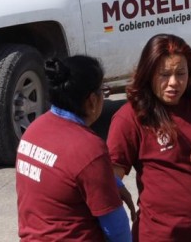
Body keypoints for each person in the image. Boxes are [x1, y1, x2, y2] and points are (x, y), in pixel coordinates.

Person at [107, 34, 191, 241]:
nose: (174, 83)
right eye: (164, 74)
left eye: (181, 73)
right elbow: (110, 176)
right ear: (148, 74)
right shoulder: (130, 117)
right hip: (158, 236)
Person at [16, 55, 131, 242]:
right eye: (103, 90)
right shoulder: (88, 148)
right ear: (92, 100)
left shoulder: (34, 131)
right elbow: (116, 229)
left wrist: (113, 183)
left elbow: (67, 173)